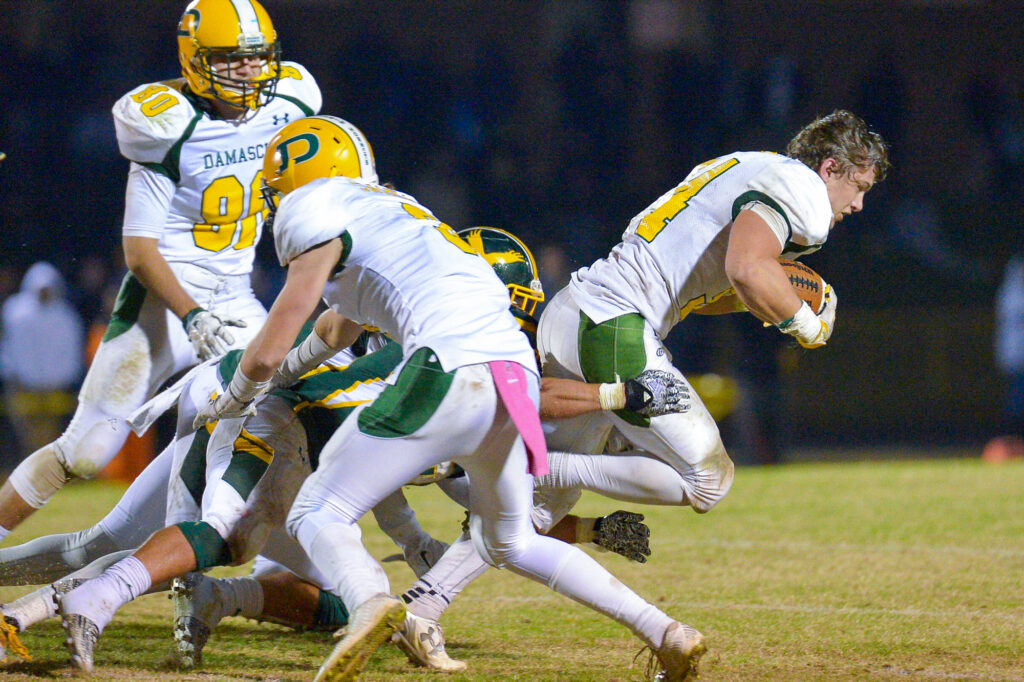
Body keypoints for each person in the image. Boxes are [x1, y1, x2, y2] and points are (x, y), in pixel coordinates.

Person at [164, 115, 707, 681]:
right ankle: (666, 632)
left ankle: (371, 600)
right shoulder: (397, 212)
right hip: (514, 374)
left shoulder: (314, 207)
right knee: (513, 539)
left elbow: (270, 347)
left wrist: (234, 396)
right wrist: (275, 378)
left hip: (446, 364)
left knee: (318, 511)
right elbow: (334, 331)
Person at [0, 0, 321, 542]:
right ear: (195, 61)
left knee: (280, 423)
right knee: (87, 450)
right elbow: (141, 251)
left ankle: (272, 569)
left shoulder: (291, 100)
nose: (249, 72)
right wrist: (191, 314)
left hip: (236, 296)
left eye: (257, 58)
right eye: (230, 60)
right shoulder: (168, 124)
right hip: (165, 300)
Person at [530, 109, 889, 534]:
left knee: (533, 516)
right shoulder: (803, 192)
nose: (859, 203)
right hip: (614, 323)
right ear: (829, 168)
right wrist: (804, 325)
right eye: (859, 187)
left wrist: (772, 295)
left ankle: (431, 586)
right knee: (708, 479)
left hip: (575, 310)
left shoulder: (745, 163)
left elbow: (708, 292)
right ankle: (549, 467)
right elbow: (746, 268)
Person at [0, 262, 85, 461]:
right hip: (22, 386)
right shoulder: (15, 312)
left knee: (50, 435)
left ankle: (43, 473)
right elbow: (8, 346)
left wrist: (64, 380)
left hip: (54, 388)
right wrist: (12, 375)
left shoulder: (66, 316)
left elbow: (71, 352)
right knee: (27, 435)